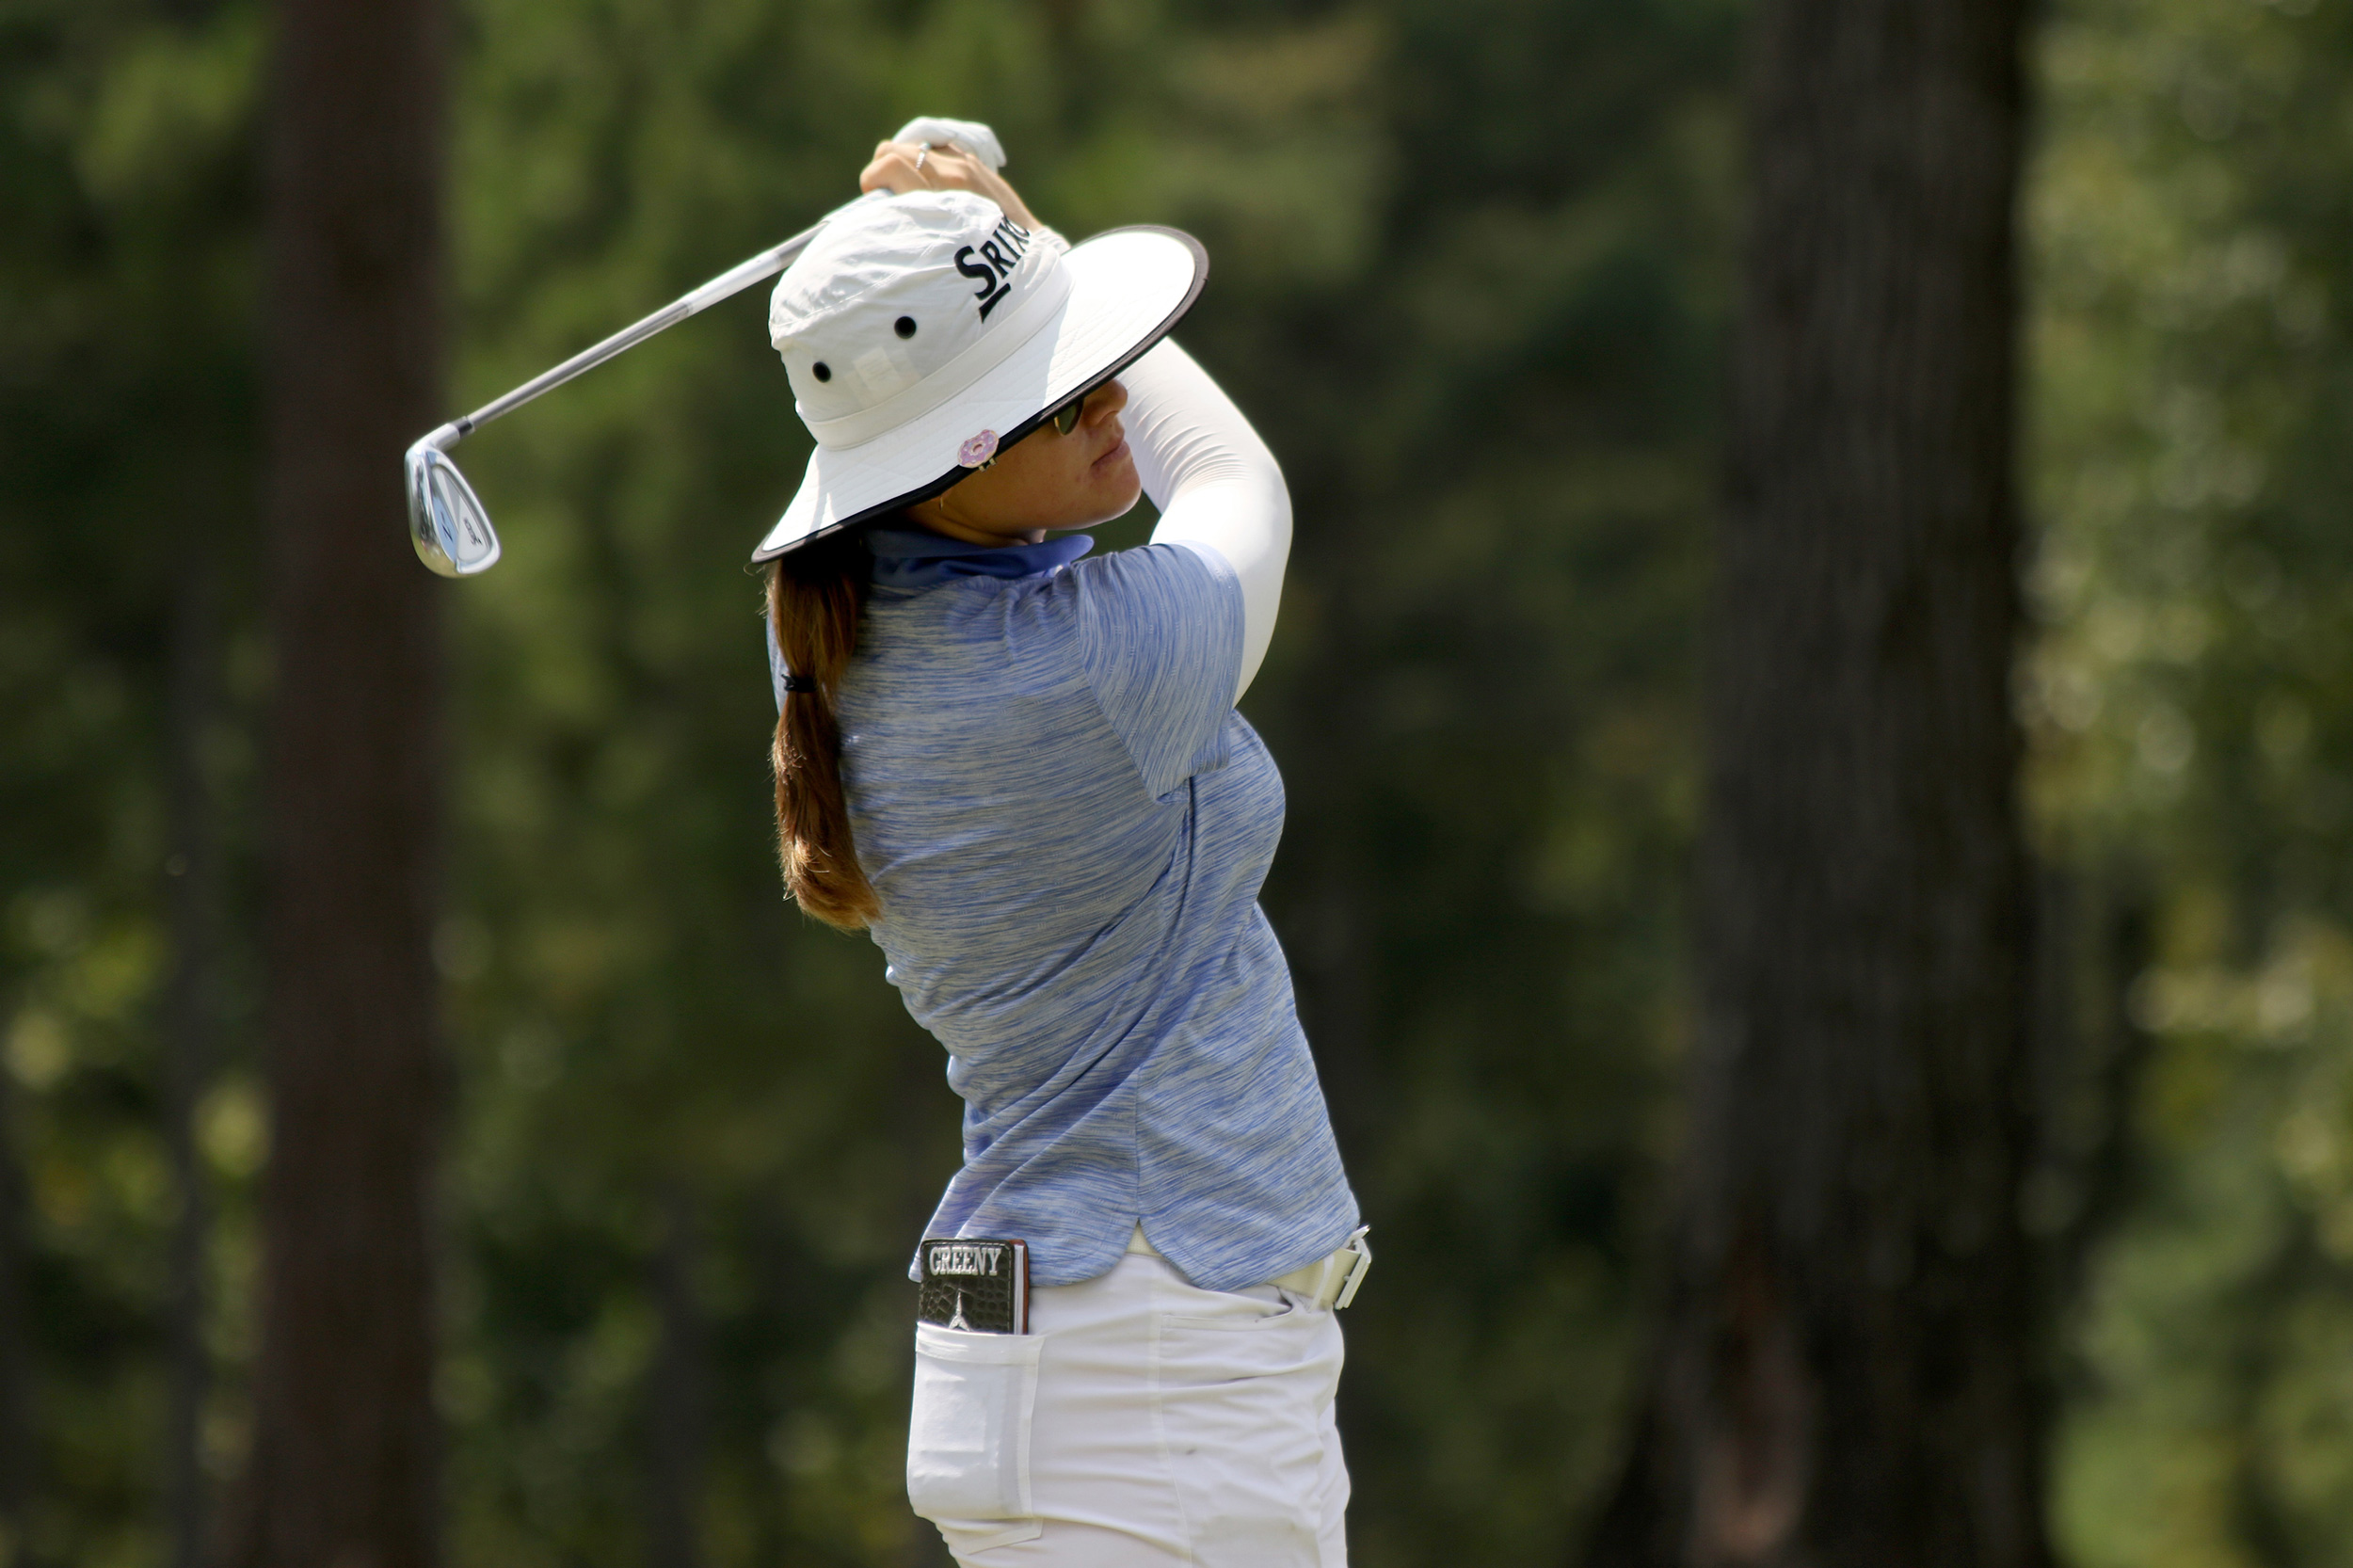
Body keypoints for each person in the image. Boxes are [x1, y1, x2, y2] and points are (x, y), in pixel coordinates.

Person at [751, 124, 1365, 1567]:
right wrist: (1025, 230)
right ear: (939, 463)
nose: (1109, 394)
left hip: (1069, 1348)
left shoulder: (827, 634)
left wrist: (976, 261)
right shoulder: (1082, 669)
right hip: (1166, 1365)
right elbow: (1237, 479)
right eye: (1057, 389)